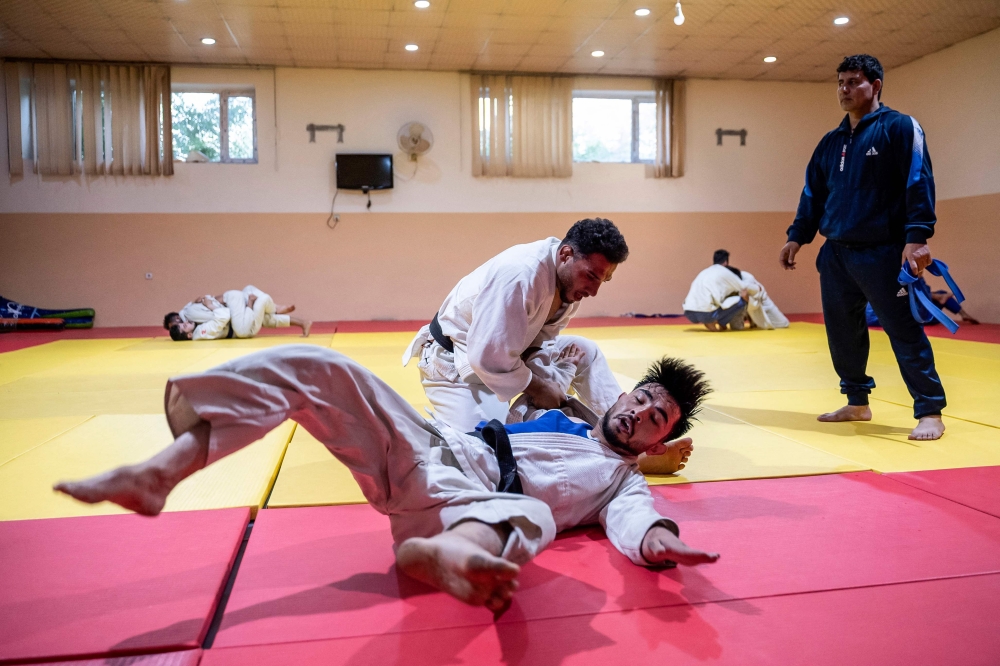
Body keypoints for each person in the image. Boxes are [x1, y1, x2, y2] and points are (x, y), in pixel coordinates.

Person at [54, 346, 719, 613]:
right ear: (623, 394)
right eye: (641, 398)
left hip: (469, 502)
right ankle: (160, 473)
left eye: (656, 419)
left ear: (660, 440)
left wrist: (661, 540)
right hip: (433, 447)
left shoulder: (621, 481)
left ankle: (448, 556)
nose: (639, 414)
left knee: (535, 517)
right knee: (322, 368)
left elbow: (636, 520)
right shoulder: (561, 418)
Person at [779, 54, 946, 441]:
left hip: (882, 252)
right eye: (840, 82)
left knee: (903, 329)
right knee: (842, 332)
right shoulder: (831, 142)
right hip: (836, 253)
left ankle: (930, 411)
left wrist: (917, 237)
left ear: (876, 85)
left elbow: (918, 180)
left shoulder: (899, 128)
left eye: (853, 82)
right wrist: (797, 236)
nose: (844, 89)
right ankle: (857, 401)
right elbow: (813, 194)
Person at [403, 219, 630, 432]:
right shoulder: (520, 276)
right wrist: (540, 387)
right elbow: (486, 357)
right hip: (455, 360)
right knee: (487, 445)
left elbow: (539, 338)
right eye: (591, 276)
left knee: (585, 350)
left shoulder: (568, 283)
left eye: (604, 280)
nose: (594, 291)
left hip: (507, 354)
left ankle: (622, 424)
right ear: (566, 254)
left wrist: (553, 377)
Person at [164, 286, 311, 341]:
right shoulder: (194, 322)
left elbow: (223, 315)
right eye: (182, 326)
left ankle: (271, 306)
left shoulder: (188, 314)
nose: (184, 323)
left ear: (178, 317)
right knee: (264, 318)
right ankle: (302, 322)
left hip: (232, 311)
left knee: (244, 328)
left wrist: (210, 304)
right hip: (232, 309)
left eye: (178, 324)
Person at [682, 250, 753, 331]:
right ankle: (714, 321)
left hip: (689, 313)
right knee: (742, 301)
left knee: (718, 301)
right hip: (706, 314)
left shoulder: (704, 272)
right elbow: (744, 291)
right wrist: (750, 305)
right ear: (726, 262)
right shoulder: (726, 272)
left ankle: (719, 323)